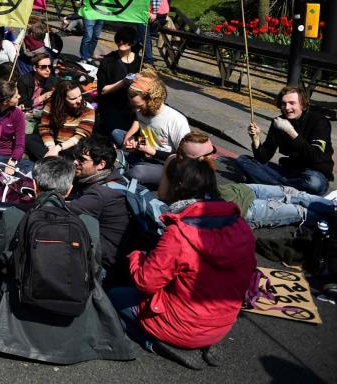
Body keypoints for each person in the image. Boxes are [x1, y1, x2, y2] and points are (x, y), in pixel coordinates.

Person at [0, 158, 135, 365]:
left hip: (17, 318)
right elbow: (94, 272)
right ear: (69, 190)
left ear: (34, 185)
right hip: (74, 323)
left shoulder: (15, 215)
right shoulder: (88, 223)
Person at [108, 157, 255, 370]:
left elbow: (145, 282)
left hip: (181, 326)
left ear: (178, 186)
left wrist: (137, 256)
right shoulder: (240, 225)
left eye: (164, 178)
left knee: (113, 297)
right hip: (221, 324)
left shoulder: (179, 233)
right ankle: (205, 341)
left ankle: (156, 343)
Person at [166, 132, 337, 230]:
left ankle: (332, 209)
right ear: (197, 159)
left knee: (291, 192)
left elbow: (162, 193)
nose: (215, 155)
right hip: (246, 208)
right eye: (210, 153)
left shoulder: (178, 163)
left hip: (242, 189)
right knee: (300, 211)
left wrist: (256, 140)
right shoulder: (190, 180)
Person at [233, 86, 333, 196]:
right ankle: (284, 189)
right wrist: (256, 138)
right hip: (288, 172)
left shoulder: (319, 121)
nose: (287, 107)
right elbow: (263, 158)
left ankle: (271, 186)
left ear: (303, 105)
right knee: (243, 160)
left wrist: (290, 131)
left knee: (314, 183)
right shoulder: (278, 122)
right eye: (283, 103)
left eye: (292, 103)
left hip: (313, 172)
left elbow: (316, 156)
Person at [66, 136, 133, 277]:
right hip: (119, 253)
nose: (75, 162)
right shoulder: (117, 179)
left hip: (109, 264)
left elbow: (60, 210)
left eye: (82, 160)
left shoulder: (100, 194)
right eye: (76, 157)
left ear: (101, 164)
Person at [114, 72, 190, 188]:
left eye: (139, 106)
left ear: (152, 100)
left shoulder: (176, 120)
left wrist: (153, 152)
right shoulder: (142, 112)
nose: (137, 111)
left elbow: (185, 157)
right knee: (116, 135)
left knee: (137, 172)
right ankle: (130, 164)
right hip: (145, 153)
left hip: (165, 162)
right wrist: (136, 143)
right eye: (134, 106)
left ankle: (131, 169)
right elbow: (149, 137)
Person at [26, 80, 95, 161]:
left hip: (72, 146)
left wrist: (58, 148)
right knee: (28, 139)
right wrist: (51, 147)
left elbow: (80, 136)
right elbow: (45, 128)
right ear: (62, 99)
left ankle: (53, 162)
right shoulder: (51, 106)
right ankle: (54, 161)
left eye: (80, 96)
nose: (79, 100)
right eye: (73, 99)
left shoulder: (88, 110)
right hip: (53, 143)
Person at [95, 27, 141, 136]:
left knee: (139, 135)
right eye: (119, 39)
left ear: (132, 42)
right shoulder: (108, 61)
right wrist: (123, 83)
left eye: (125, 40)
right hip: (113, 106)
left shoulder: (140, 62)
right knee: (117, 134)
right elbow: (103, 91)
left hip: (135, 107)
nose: (121, 42)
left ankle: (138, 148)